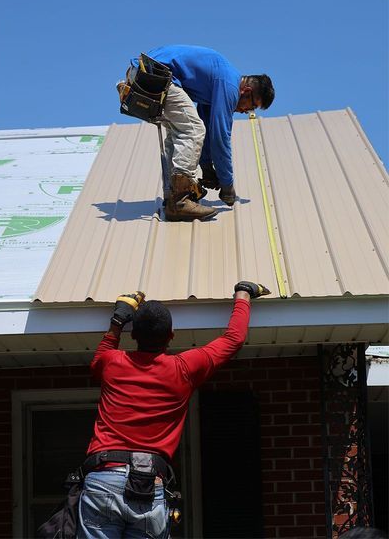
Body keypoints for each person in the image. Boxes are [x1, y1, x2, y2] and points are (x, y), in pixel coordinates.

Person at [77, 281, 270, 538]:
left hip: (103, 477)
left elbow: (101, 355)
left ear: (134, 335)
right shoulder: (184, 369)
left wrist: (118, 319)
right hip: (147, 482)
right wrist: (244, 294)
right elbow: (233, 339)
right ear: (171, 335)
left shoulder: (112, 363)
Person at [129, 45, 275, 222]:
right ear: (247, 91)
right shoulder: (229, 85)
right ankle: (180, 201)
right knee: (193, 129)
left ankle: (171, 197)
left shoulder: (217, 84)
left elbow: (209, 127)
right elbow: (220, 138)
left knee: (180, 134)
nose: (246, 112)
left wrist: (207, 168)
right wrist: (227, 185)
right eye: (251, 106)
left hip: (143, 72)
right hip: (155, 74)